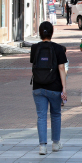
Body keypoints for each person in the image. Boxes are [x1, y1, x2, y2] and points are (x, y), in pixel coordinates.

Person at [30, 21, 67, 155]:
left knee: (41, 116)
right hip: (54, 87)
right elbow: (62, 68)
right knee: (56, 114)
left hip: (38, 86)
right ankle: (56, 143)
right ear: (52, 32)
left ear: (40, 33)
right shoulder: (58, 48)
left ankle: (42, 146)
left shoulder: (34, 48)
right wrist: (64, 88)